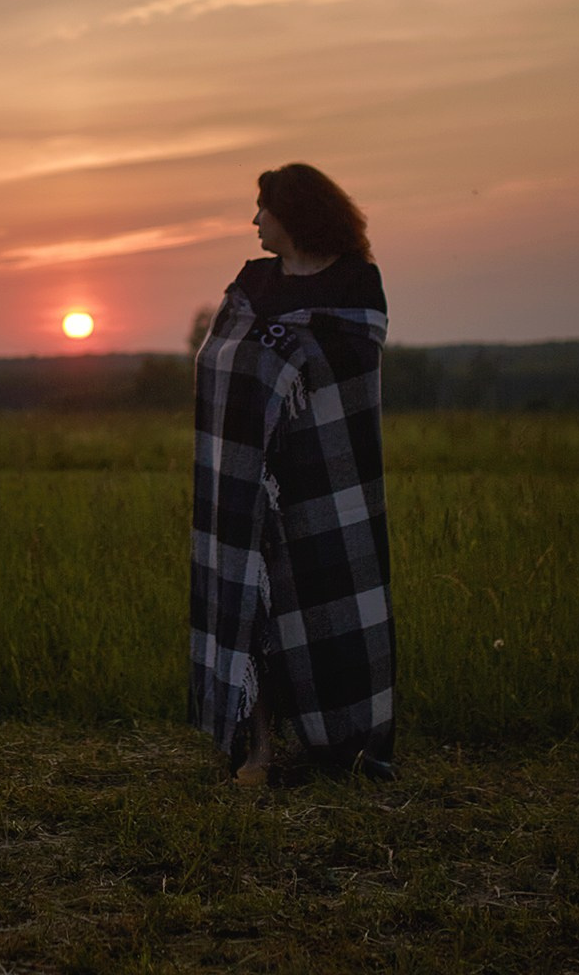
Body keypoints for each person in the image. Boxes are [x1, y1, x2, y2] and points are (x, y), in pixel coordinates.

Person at [190, 163, 394, 786]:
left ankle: (344, 743)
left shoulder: (358, 284)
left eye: (262, 209)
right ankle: (257, 750)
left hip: (325, 479)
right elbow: (218, 359)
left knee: (328, 604)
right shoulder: (252, 283)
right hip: (250, 478)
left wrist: (280, 357)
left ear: (293, 212)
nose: (254, 221)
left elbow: (353, 360)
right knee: (253, 604)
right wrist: (275, 362)